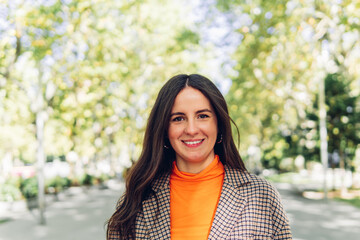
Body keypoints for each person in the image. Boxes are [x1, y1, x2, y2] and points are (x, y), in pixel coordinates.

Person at [107, 74, 292, 239]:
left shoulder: (261, 195)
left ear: (218, 124)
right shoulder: (135, 201)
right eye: (178, 118)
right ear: (164, 129)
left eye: (202, 116)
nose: (192, 129)